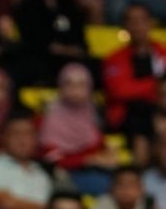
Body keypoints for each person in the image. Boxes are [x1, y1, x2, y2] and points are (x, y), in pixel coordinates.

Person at [8, 0, 93, 89]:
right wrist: (57, 49)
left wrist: (71, 50)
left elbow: (80, 40)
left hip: (70, 61)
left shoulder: (70, 3)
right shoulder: (27, 4)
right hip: (41, 60)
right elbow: (31, 40)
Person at [38, 63, 118, 195]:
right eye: (69, 84)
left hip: (93, 173)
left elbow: (100, 146)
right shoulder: (47, 119)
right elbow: (50, 159)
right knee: (108, 187)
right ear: (61, 87)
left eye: (81, 85)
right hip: (61, 176)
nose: (75, 90)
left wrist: (109, 154)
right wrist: (87, 160)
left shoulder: (92, 115)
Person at [100, 1, 166, 131]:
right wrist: (156, 85)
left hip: (162, 112)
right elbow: (119, 91)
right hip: (127, 116)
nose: (137, 25)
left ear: (151, 23)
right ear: (125, 26)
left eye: (142, 20)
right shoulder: (114, 59)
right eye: (132, 21)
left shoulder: (165, 54)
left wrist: (140, 88)